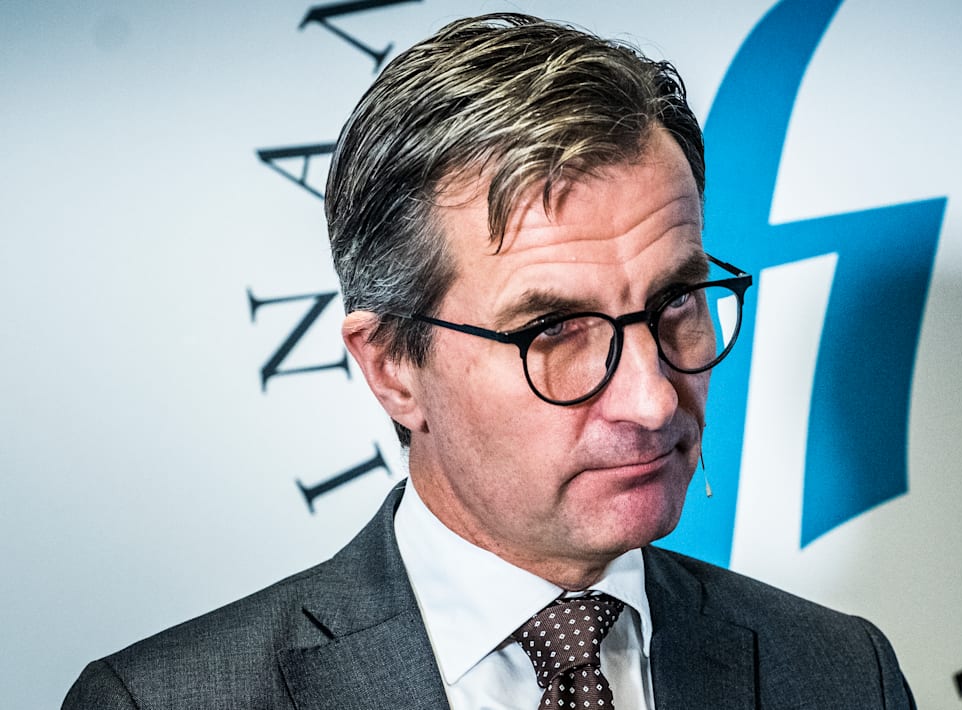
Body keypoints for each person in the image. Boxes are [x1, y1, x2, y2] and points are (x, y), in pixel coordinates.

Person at [63, 13, 914, 709]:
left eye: (676, 301)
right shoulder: (161, 701)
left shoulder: (844, 674)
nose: (653, 400)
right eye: (554, 329)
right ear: (392, 367)